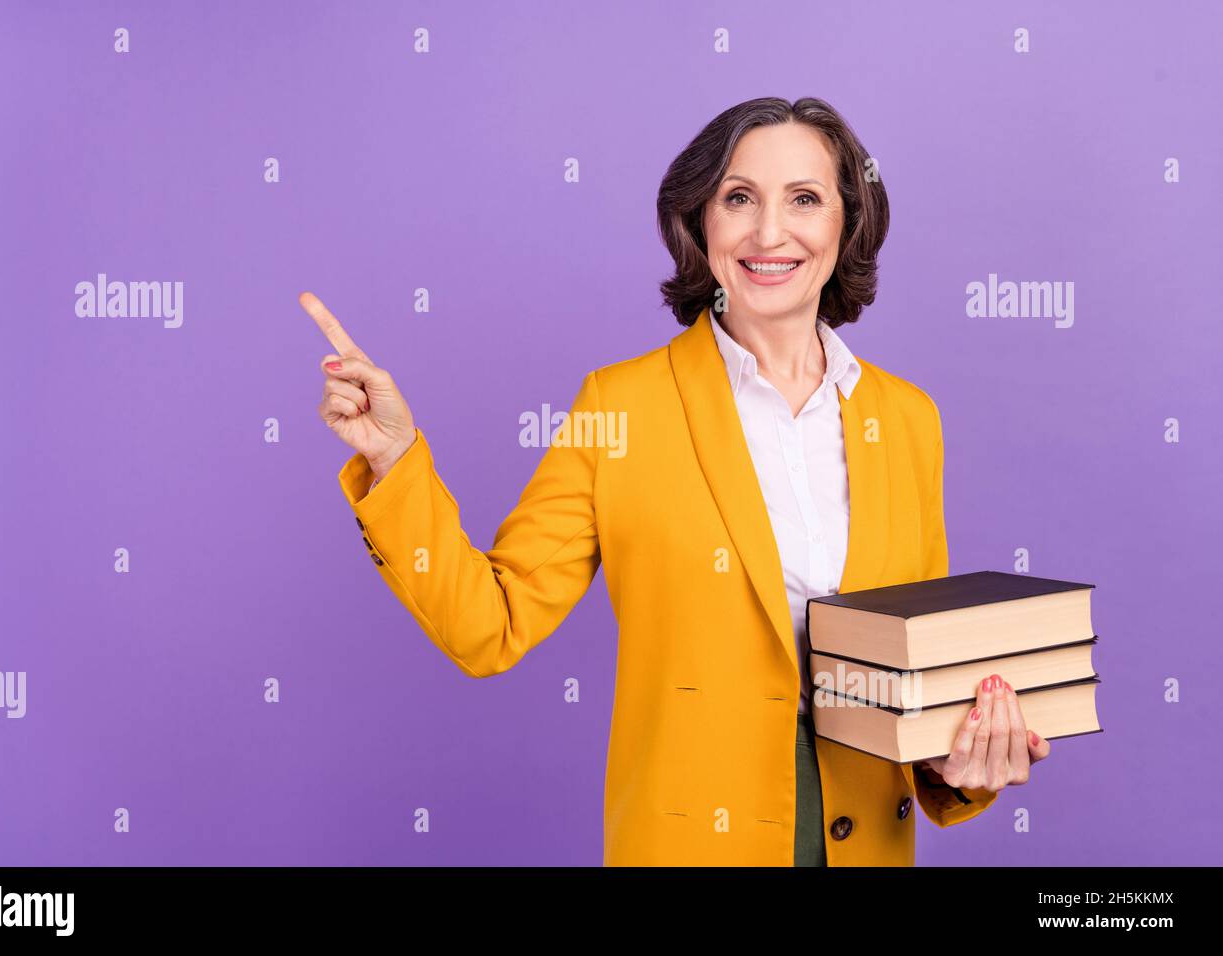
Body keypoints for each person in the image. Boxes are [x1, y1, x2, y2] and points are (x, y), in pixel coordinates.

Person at [303, 96, 1051, 867]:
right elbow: (487, 625)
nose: (769, 232)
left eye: (804, 198)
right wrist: (395, 460)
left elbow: (916, 678)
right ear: (700, 224)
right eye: (738, 198)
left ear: (846, 225)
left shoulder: (907, 418)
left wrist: (962, 768)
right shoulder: (620, 407)